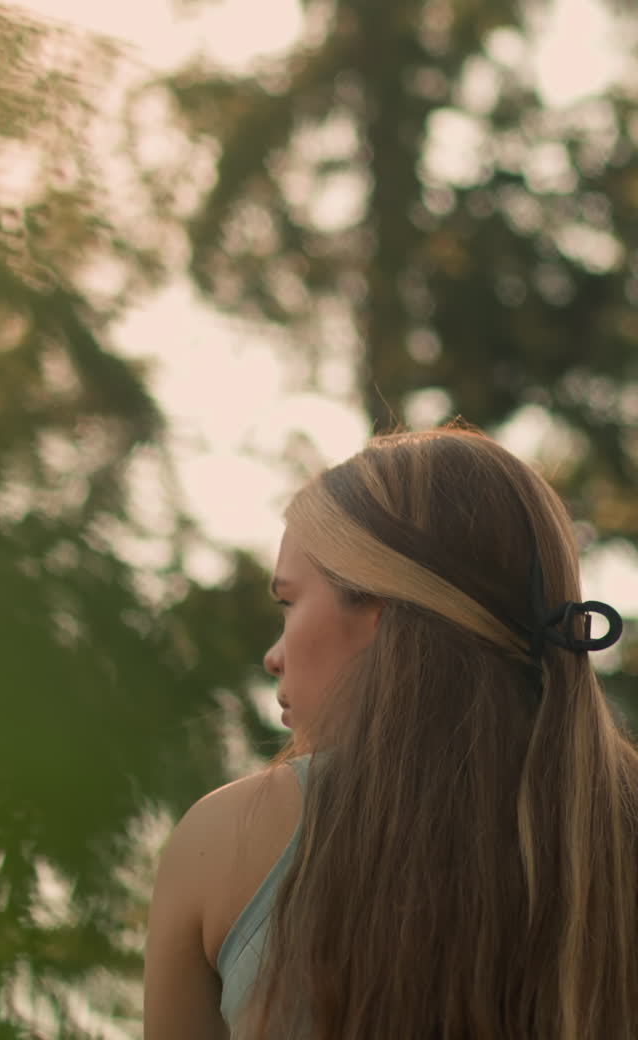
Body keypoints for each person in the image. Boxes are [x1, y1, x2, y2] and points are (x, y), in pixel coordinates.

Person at [143, 423, 635, 1040]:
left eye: (289, 602)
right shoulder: (615, 824)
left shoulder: (224, 841)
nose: (274, 655)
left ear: (378, 606)